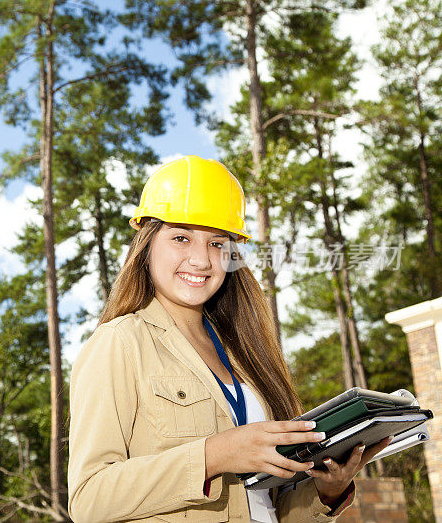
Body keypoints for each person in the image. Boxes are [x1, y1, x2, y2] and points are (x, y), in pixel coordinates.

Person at [67, 155, 391, 522]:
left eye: (218, 244)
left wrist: (327, 490)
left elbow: (266, 508)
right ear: (146, 246)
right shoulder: (120, 343)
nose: (202, 260)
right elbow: (89, 499)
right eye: (181, 238)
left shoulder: (245, 354)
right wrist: (214, 455)